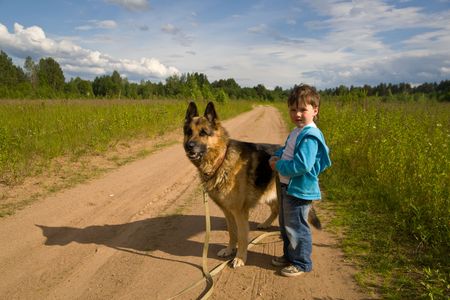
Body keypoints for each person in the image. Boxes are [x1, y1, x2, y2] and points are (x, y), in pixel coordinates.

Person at [269, 84, 331, 277]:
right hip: (287, 186)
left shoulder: (310, 135)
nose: (297, 114)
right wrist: (276, 156)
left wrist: (279, 166)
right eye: (293, 109)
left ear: (315, 110)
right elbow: (287, 149)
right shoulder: (297, 131)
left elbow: (302, 165)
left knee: (297, 227)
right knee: (286, 224)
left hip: (299, 189)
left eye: (303, 109)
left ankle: (302, 262)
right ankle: (290, 256)